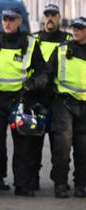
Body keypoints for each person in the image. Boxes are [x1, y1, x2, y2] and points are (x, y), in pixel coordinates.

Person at [0, 7, 47, 196]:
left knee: (23, 144)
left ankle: (22, 184)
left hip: (21, 99)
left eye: (11, 19)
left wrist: (34, 83)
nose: (7, 23)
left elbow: (43, 71)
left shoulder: (30, 43)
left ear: (19, 21)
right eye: (4, 19)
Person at [30, 4, 73, 191]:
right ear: (42, 17)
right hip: (37, 97)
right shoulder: (34, 39)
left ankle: (59, 181)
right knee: (33, 144)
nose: (50, 18)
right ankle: (31, 181)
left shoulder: (68, 39)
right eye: (47, 15)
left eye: (53, 15)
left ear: (59, 17)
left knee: (60, 145)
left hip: (58, 98)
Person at [47, 17, 86, 198]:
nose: (76, 31)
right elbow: (47, 73)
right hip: (64, 104)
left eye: (80, 28)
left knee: (83, 147)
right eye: (74, 28)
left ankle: (81, 185)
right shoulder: (62, 50)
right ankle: (60, 183)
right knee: (63, 144)